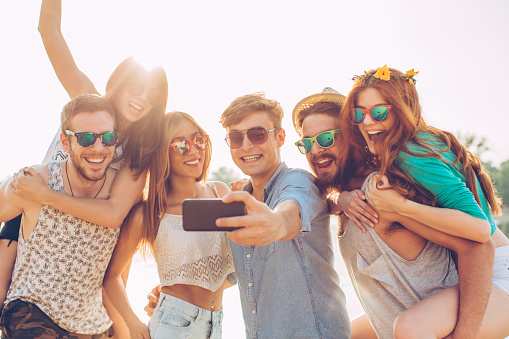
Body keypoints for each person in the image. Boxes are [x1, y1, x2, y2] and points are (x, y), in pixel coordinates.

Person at [1, 1, 169, 337]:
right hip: (33, 221)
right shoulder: (88, 101)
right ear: (120, 82)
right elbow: (49, 33)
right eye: (136, 87)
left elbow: (113, 216)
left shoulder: (138, 152)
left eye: (151, 94)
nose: (141, 99)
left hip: (87, 247)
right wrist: (38, 194)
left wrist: (44, 195)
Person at [338, 66, 509, 338]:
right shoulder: (404, 148)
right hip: (469, 270)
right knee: (349, 333)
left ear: (403, 108)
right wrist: (343, 197)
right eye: (359, 113)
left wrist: (400, 208)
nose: (368, 121)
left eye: (379, 112)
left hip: (497, 274)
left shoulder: (410, 152)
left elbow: (480, 229)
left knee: (410, 329)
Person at [215, 93, 350, 338]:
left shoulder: (299, 181)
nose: (246, 145)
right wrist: (177, 293)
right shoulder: (240, 202)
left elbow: (290, 212)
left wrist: (275, 223)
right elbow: (241, 274)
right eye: (236, 138)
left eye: (257, 135)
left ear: (280, 137)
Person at [103, 111, 236, 339]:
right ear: (162, 153)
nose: (194, 150)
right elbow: (111, 276)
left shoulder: (220, 193)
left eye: (198, 140)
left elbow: (234, 270)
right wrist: (132, 323)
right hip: (172, 326)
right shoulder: (149, 215)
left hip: (217, 324)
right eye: (182, 145)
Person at [0, 94, 120, 338]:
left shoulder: (120, 192)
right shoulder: (35, 181)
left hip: (94, 326)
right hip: (31, 316)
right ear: (65, 143)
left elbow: (116, 272)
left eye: (108, 137)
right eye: (86, 138)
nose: (98, 147)